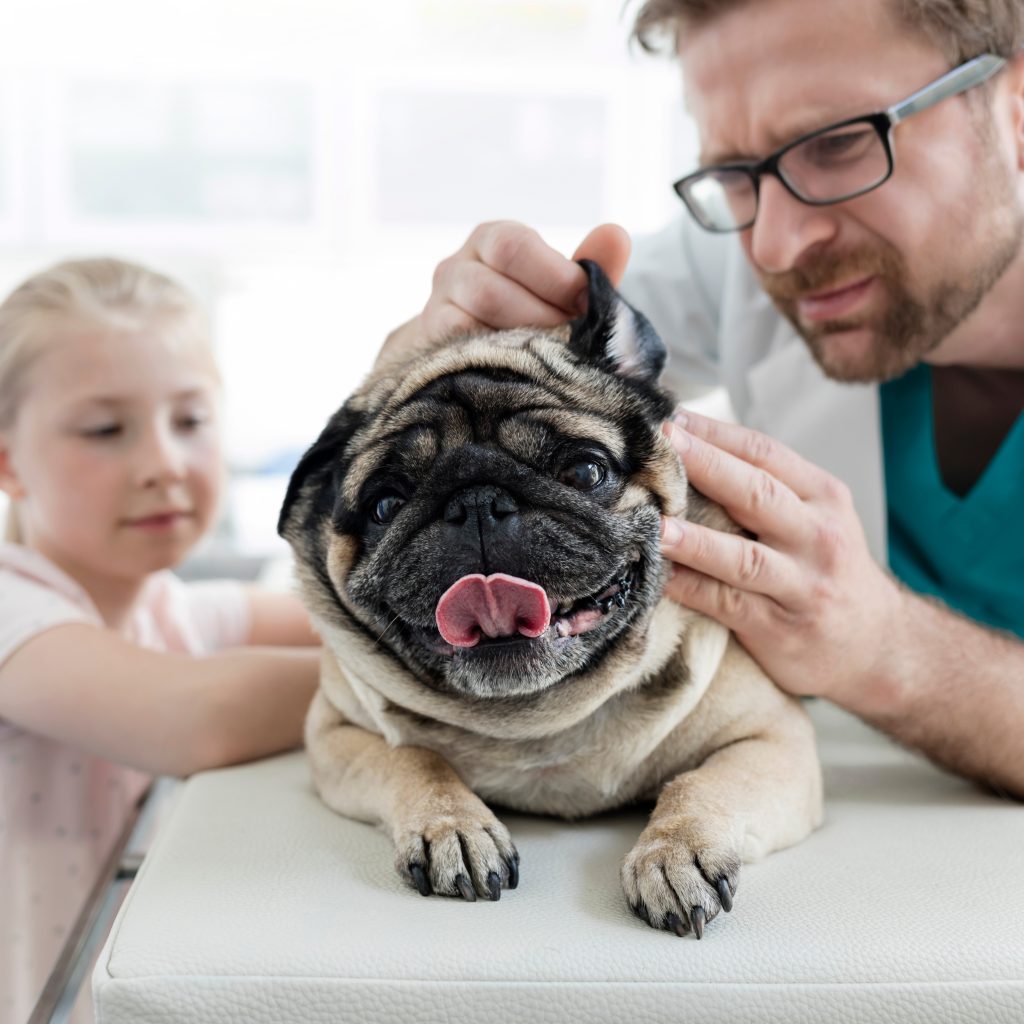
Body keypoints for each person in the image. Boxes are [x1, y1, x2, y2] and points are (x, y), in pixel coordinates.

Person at [379, 0, 1024, 796]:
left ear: (1016, 109)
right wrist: (427, 353)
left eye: (840, 144)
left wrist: (885, 648)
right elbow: (467, 395)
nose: (777, 248)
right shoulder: (735, 250)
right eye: (733, 173)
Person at [0, 257, 320, 777]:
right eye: (105, 429)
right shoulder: (9, 610)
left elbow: (353, 618)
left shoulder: (171, 612)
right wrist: (411, 686)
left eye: (190, 420)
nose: (165, 465)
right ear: (9, 464)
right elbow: (199, 718)